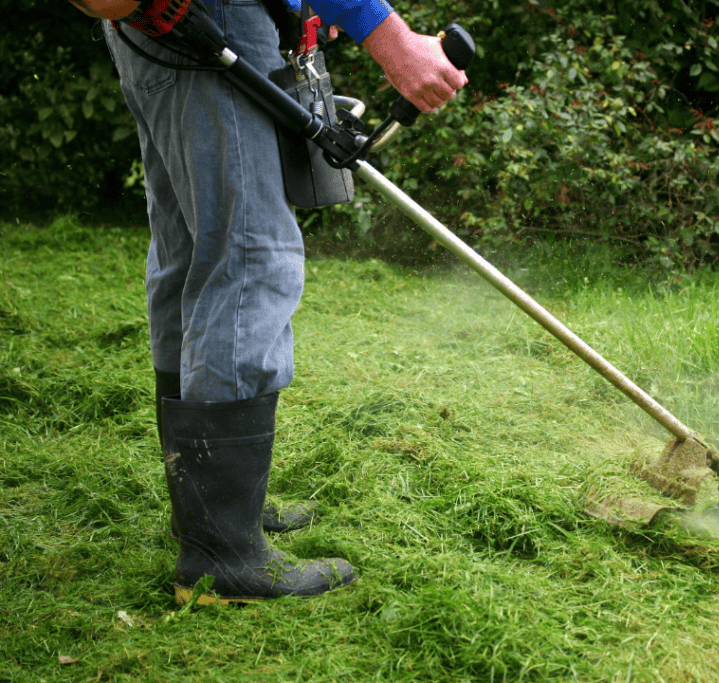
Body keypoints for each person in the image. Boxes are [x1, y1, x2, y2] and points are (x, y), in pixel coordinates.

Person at [68, 0, 468, 605]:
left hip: (155, 26)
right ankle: (223, 557)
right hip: (209, 18)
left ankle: (210, 513)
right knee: (248, 257)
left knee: (193, 252)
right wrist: (390, 37)